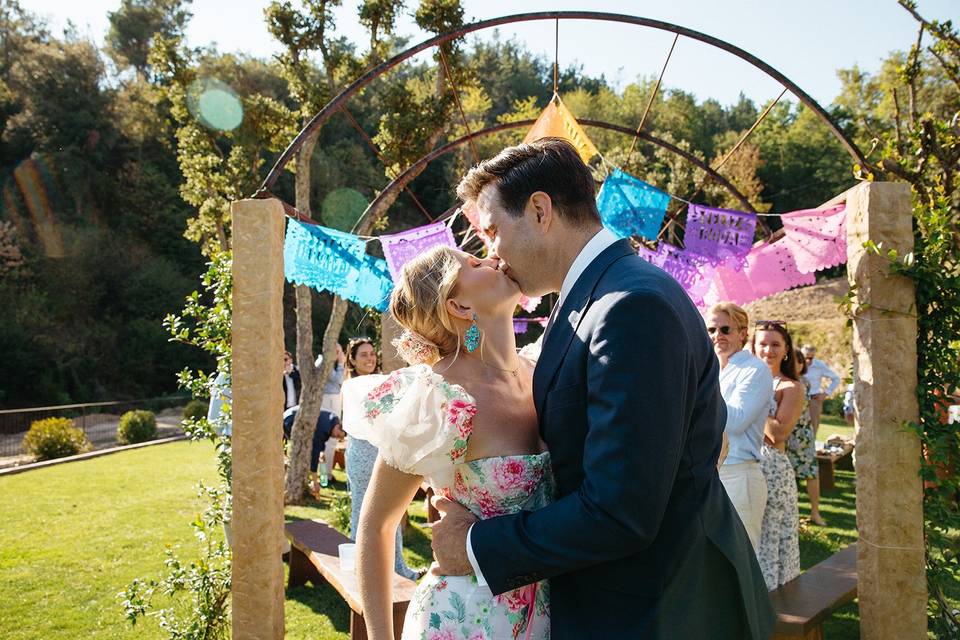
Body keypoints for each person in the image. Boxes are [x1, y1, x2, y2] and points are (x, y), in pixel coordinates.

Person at [425, 138, 774, 639]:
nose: (493, 254)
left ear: (540, 211)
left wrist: (477, 545)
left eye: (494, 230)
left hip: (664, 608)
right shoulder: (597, 297)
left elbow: (621, 511)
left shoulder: (630, 307)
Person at [349, 245, 551, 640]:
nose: (495, 257)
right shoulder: (439, 398)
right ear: (458, 306)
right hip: (462, 621)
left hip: (548, 617)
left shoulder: (543, 370)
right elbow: (375, 526)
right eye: (475, 263)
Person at [340, 336, 419, 582]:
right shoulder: (353, 386)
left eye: (372, 353)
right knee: (368, 512)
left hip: (382, 450)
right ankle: (365, 569)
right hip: (363, 453)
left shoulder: (381, 381)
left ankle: (394, 568)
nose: (370, 358)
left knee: (389, 513)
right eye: (363, 354)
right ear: (351, 360)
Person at [706, 301, 774, 552]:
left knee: (742, 558)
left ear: (743, 333)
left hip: (739, 474)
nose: (717, 336)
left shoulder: (755, 370)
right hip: (710, 472)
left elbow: (736, 422)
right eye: (711, 330)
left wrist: (701, 389)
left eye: (725, 329)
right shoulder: (715, 369)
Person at [752, 321, 803, 590]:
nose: (768, 350)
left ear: (785, 351)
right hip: (740, 463)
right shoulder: (740, 376)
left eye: (775, 344)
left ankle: (773, 600)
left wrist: (757, 395)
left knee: (771, 537)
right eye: (762, 343)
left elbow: (779, 434)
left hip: (772, 467)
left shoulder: (791, 387)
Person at [788, 349, 827, 526]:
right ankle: (792, 515)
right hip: (787, 435)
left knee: (811, 472)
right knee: (789, 476)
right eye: (795, 361)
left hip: (802, 433)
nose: (799, 364)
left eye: (801, 361)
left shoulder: (803, 383)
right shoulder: (780, 381)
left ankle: (815, 512)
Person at [800, 344, 840, 433]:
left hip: (814, 399)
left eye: (811, 358)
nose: (808, 361)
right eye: (805, 358)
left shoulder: (819, 365)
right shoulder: (795, 364)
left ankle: (812, 446)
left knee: (813, 426)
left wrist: (825, 393)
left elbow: (836, 379)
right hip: (798, 398)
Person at [308, 409, 345, 495]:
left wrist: (321, 451)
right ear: (338, 426)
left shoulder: (333, 420)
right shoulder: (325, 427)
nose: (336, 437)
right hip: (289, 422)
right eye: (338, 435)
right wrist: (315, 481)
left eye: (338, 438)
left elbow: (322, 440)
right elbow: (314, 453)